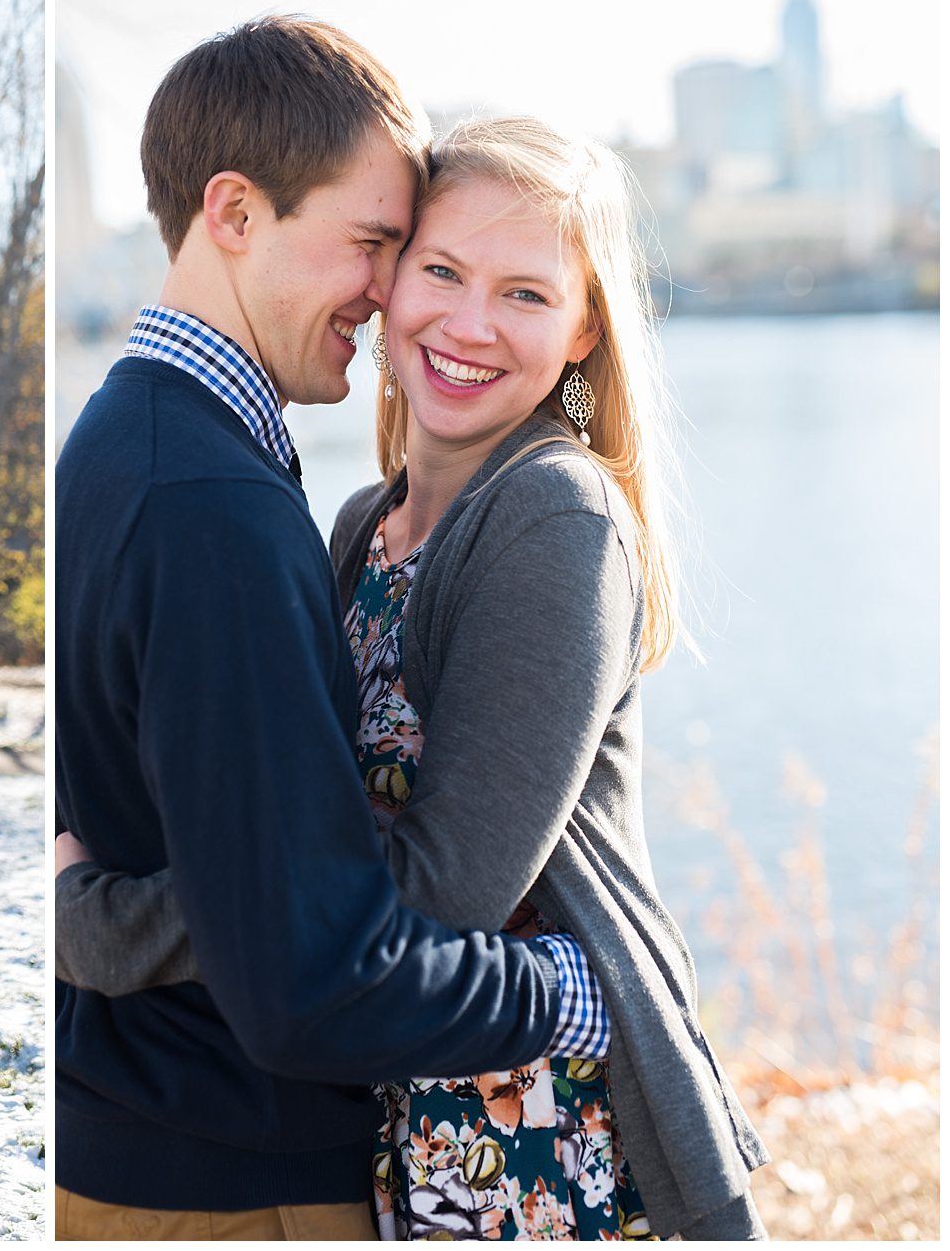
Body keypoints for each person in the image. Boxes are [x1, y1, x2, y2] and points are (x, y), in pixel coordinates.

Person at [56, 117, 769, 1238]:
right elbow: (296, 849)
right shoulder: (359, 526)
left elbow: (439, 889)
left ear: (585, 330)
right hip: (387, 1115)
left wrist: (105, 922)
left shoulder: (555, 516)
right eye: (439, 268)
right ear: (386, 279)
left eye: (527, 294)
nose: (468, 322)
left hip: (527, 1144)